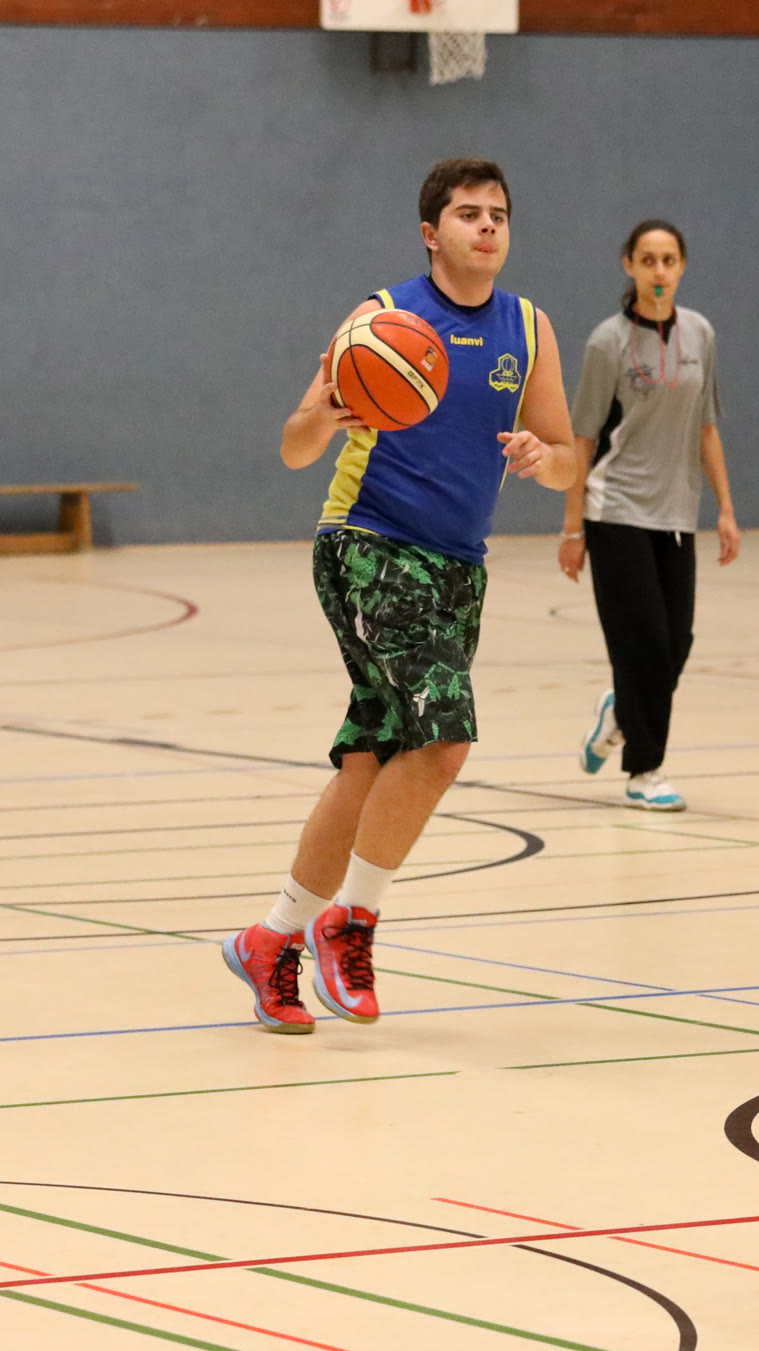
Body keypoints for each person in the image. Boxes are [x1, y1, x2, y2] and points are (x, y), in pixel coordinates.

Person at [221, 158, 580, 1033]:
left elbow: (568, 456)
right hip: (367, 543)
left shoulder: (528, 327)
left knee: (374, 760)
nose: (487, 226)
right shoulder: (379, 320)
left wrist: (544, 460)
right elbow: (294, 447)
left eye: (499, 213)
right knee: (444, 741)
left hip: (459, 565)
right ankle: (353, 919)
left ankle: (272, 938)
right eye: (469, 213)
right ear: (431, 232)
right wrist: (325, 414)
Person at [557, 219, 739, 812]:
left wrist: (726, 510)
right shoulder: (606, 343)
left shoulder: (701, 334)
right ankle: (645, 771)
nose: (659, 271)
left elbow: (707, 428)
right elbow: (582, 439)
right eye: (647, 260)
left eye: (668, 260)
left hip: (678, 513)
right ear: (629, 266)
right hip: (615, 509)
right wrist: (573, 527)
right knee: (644, 644)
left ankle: (620, 713)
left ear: (681, 266)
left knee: (676, 642)